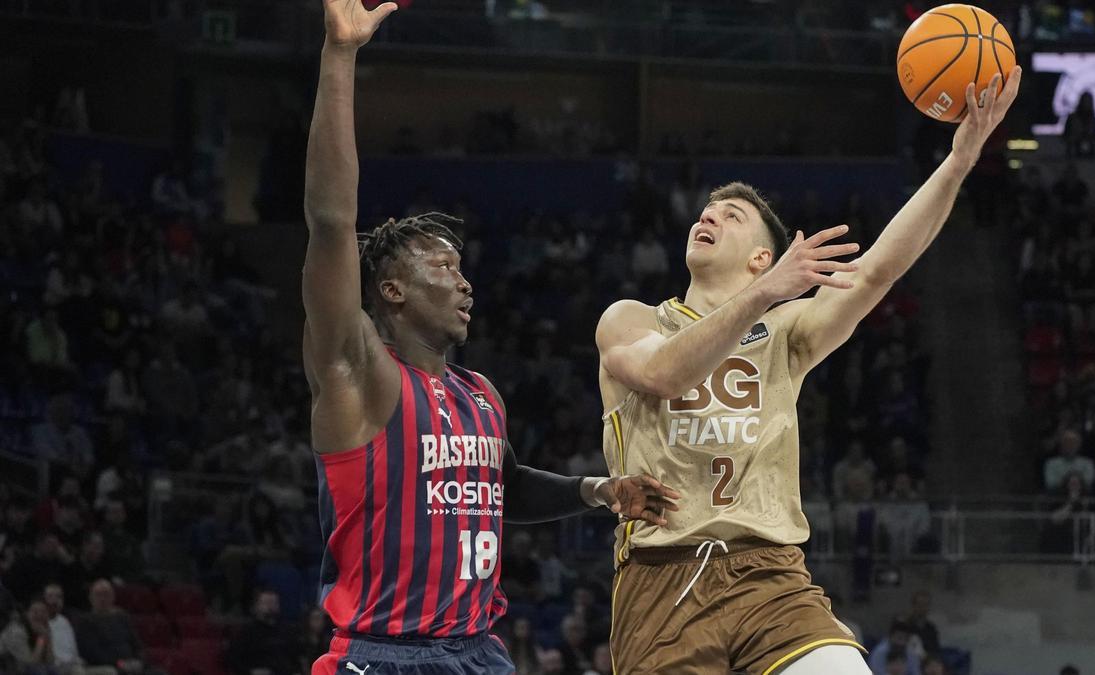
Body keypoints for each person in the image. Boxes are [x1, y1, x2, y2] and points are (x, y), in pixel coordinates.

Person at [596, 66, 1022, 674]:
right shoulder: (630, 319)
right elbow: (665, 375)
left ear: (762, 258)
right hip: (663, 580)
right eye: (710, 210)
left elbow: (877, 272)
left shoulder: (786, 332)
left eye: (733, 215)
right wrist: (764, 295)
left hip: (770, 575)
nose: (711, 216)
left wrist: (956, 164)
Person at [302, 3, 678, 674]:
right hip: (384, 653)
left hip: (479, 651)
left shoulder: (480, 393)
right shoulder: (358, 374)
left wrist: (598, 489)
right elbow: (332, 223)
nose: (464, 282)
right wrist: (341, 53)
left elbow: (504, 487)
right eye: (442, 268)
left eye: (462, 266)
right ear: (390, 290)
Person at [72, 580, 144, 675]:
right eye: (98, 595)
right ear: (91, 598)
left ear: (113, 597)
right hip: (108, 666)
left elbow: (137, 645)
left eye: (106, 595)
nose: (102, 599)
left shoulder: (123, 617)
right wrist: (120, 663)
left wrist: (139, 661)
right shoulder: (85, 621)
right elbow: (91, 653)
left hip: (131, 664)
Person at [227, 589, 295, 675]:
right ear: (257, 606)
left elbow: (295, 657)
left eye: (274, 602)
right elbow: (233, 659)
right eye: (266, 603)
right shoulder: (246, 632)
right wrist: (250, 672)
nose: (271, 606)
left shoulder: (287, 631)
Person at [1, 599, 56, 674]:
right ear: (26, 613)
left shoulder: (42, 628)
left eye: (43, 611)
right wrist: (42, 637)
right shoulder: (16, 632)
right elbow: (31, 665)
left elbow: (50, 660)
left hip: (23, 668)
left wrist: (48, 638)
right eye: (35, 611)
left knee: (52, 669)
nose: (39, 615)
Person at [904, 591, 940, 655]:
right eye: (919, 604)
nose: (922, 608)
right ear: (913, 606)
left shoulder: (931, 628)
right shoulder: (904, 626)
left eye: (925, 605)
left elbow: (936, 651)